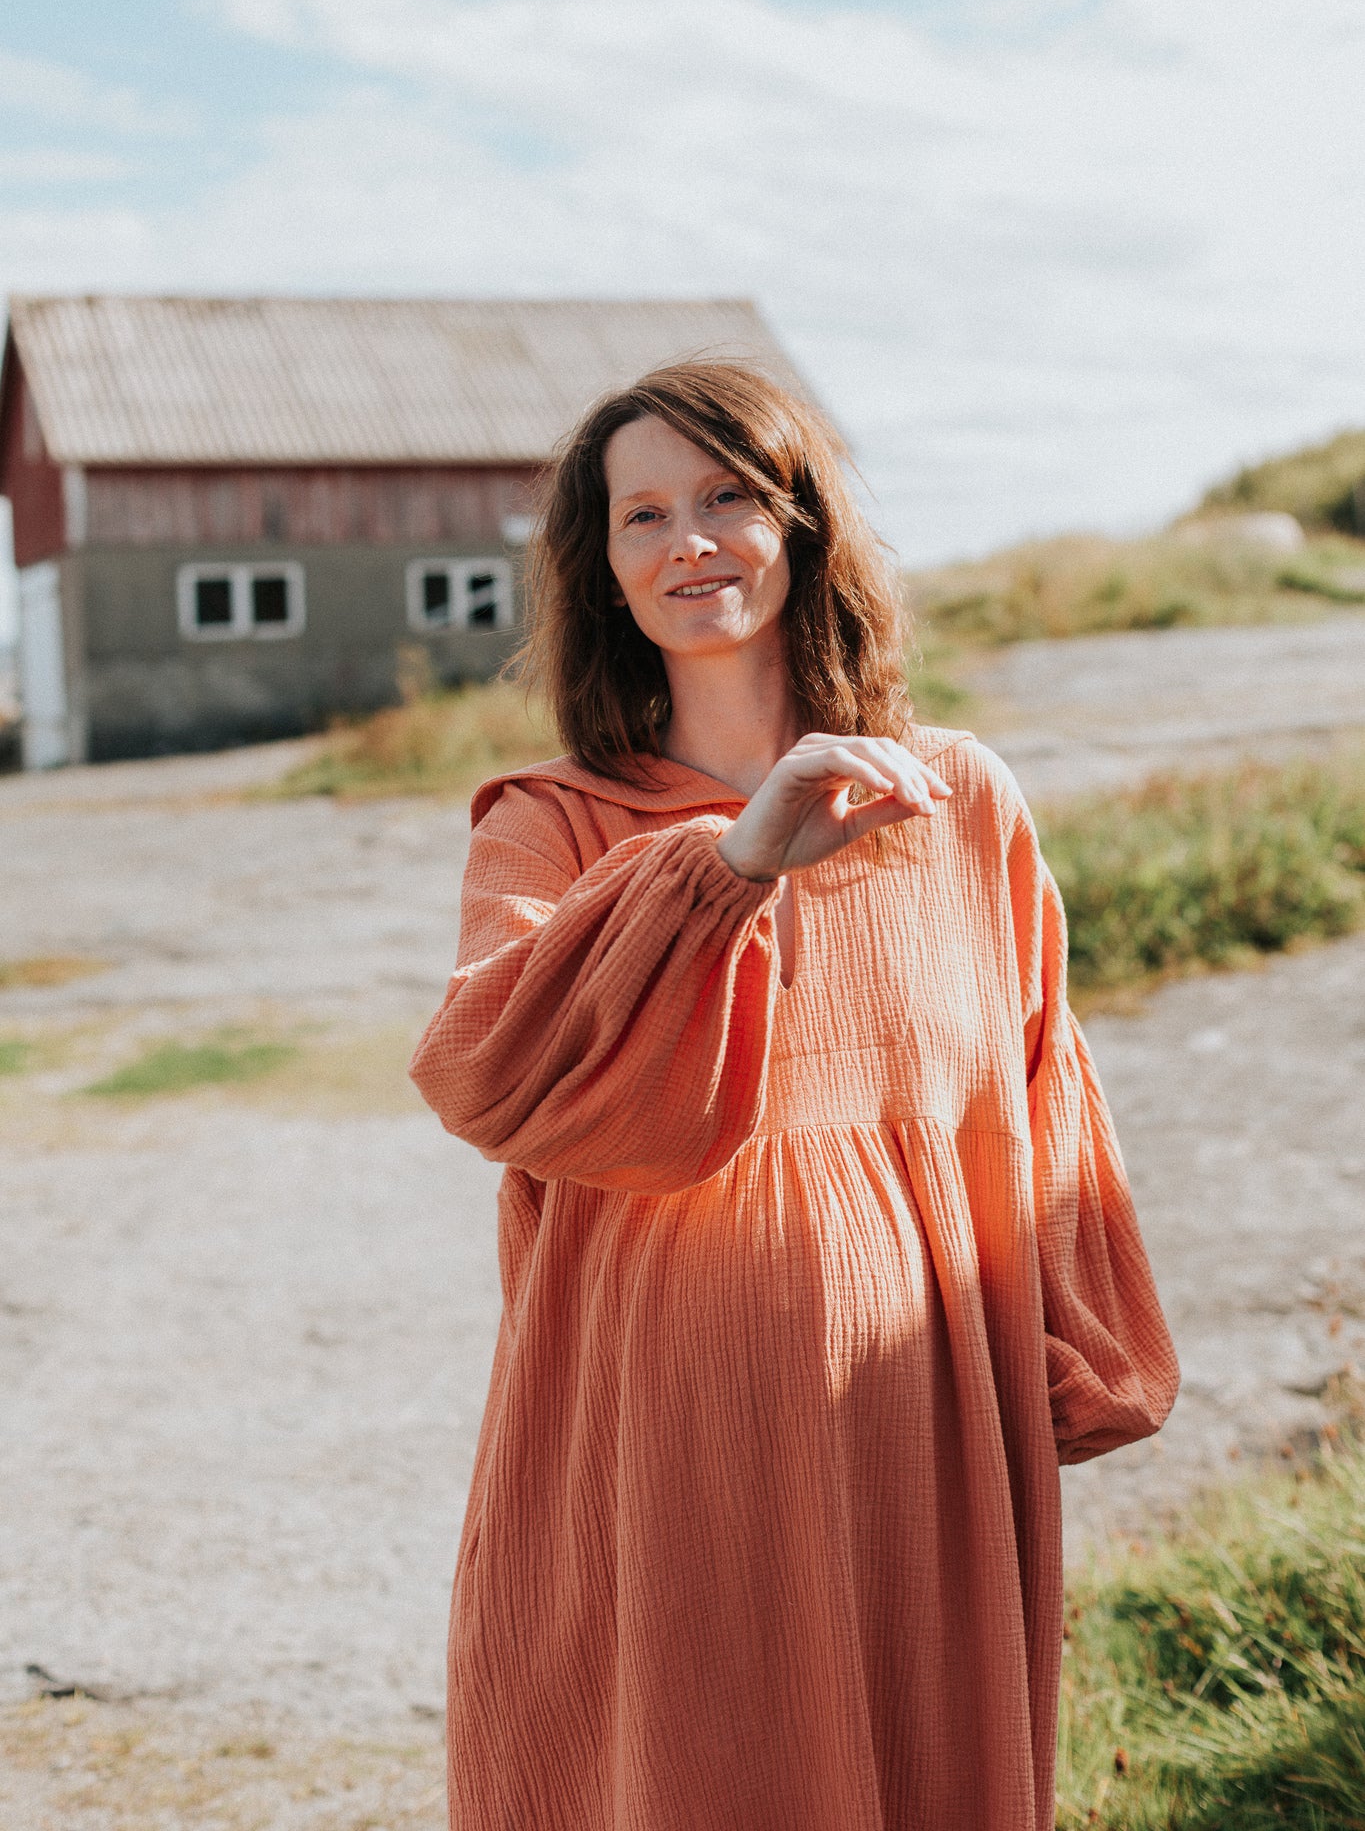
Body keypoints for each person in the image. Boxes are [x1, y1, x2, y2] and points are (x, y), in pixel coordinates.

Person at [409, 360, 1179, 1831]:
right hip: (669, 1423)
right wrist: (726, 865)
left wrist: (1083, 1349)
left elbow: (1040, 1095)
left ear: (801, 526)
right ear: (606, 571)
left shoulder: (957, 798)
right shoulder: (550, 823)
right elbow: (487, 1068)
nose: (687, 540)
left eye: (725, 497)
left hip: (921, 1417)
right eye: (641, 517)